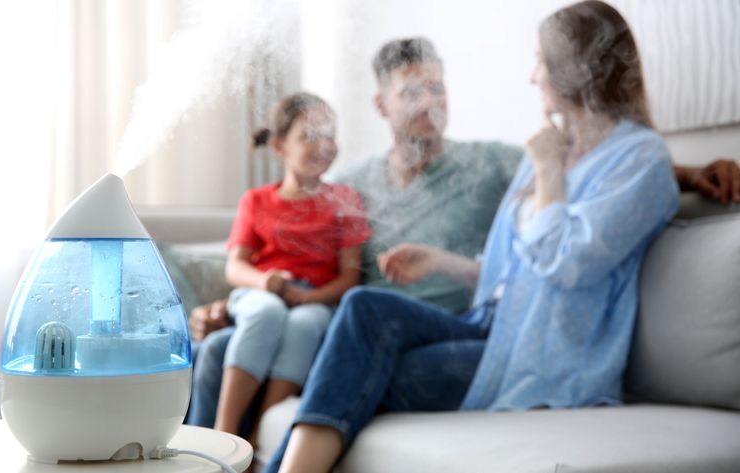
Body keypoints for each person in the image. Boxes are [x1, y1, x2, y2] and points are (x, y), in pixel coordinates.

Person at [265, 2, 682, 471]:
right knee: (363, 309)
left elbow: (566, 263)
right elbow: (516, 275)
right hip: (491, 327)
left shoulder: (638, 159)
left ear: (576, 68)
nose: (532, 76)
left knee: (354, 370)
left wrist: (548, 172)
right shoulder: (554, 149)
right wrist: (443, 262)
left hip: (544, 361)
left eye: (540, 62)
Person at [186, 37, 524, 431]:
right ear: (381, 105)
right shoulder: (349, 187)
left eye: (437, 88)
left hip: (438, 330)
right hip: (342, 327)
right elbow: (298, 261)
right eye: (412, 92)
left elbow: (567, 175)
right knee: (213, 350)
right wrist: (229, 308)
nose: (429, 101)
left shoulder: (492, 165)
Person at [212, 92, 371, 444]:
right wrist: (265, 281)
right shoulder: (256, 200)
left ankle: (257, 436)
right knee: (266, 312)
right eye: (310, 135)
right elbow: (235, 268)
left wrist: (307, 296)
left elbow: (349, 277)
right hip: (261, 294)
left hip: (315, 299)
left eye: (330, 134)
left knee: (307, 322)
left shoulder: (346, 201)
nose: (324, 145)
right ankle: (224, 433)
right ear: (281, 146)